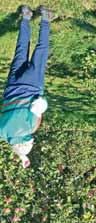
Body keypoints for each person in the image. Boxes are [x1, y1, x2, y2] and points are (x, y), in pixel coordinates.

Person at [0, 5, 53, 168]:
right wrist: (22, 156)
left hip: (32, 84)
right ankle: (26, 17)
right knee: (21, 50)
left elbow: (39, 105)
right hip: (12, 85)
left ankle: (46, 18)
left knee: (41, 51)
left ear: (26, 140)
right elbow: (13, 143)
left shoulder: (30, 127)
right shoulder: (2, 133)